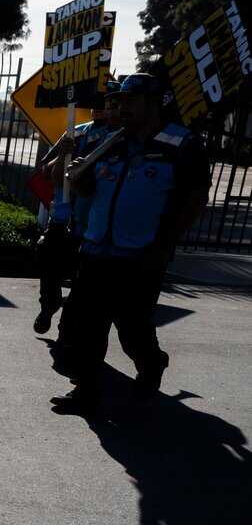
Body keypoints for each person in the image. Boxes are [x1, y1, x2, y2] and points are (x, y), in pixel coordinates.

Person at [50, 73, 210, 415]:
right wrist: (77, 177)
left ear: (154, 104)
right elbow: (87, 190)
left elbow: (195, 199)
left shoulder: (182, 146)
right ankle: (86, 389)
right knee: (85, 325)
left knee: (132, 328)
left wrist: (165, 246)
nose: (120, 108)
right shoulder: (109, 141)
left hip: (141, 255)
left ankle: (151, 363)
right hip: (96, 249)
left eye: (129, 102)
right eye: (118, 102)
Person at [35, 90, 118, 337]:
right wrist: (64, 153)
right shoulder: (77, 131)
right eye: (98, 102)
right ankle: (49, 305)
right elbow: (48, 172)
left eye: (110, 104)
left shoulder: (123, 139)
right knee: (48, 261)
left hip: (94, 225)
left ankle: (69, 325)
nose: (103, 108)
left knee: (85, 282)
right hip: (62, 218)